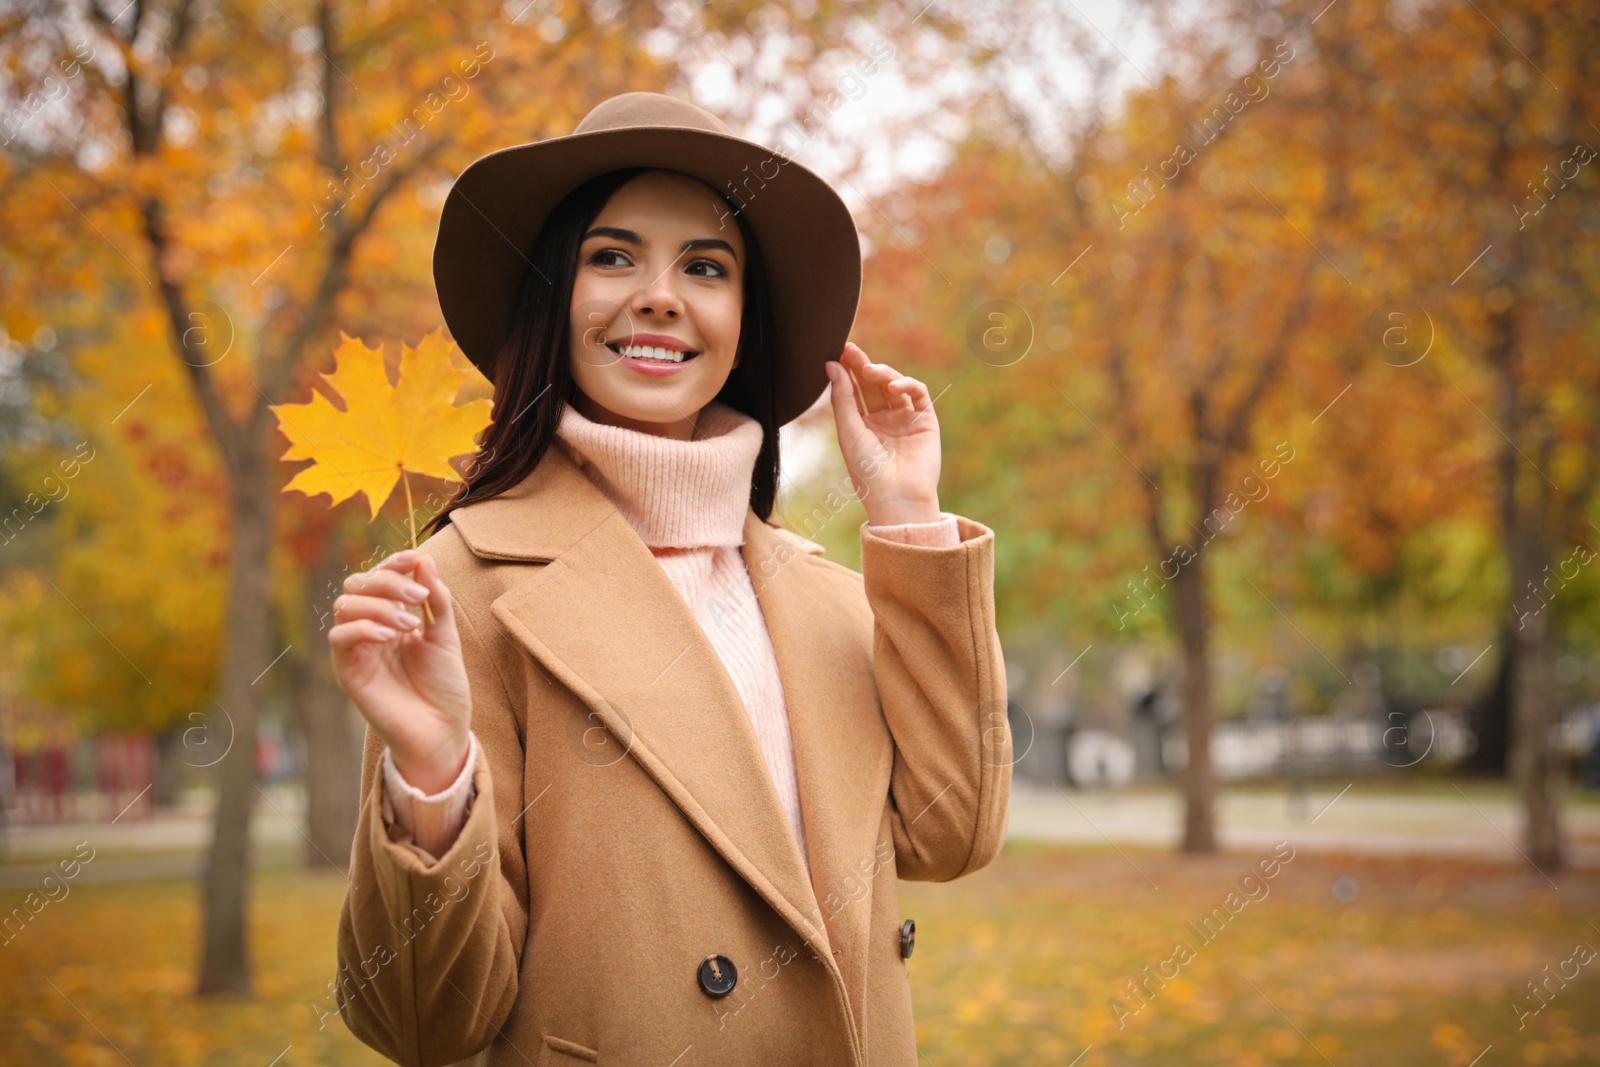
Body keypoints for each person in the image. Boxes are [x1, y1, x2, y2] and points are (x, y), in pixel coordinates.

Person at [327, 91, 1010, 1067]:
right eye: (612, 256)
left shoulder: (823, 594)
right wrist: (431, 775)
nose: (659, 294)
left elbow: (951, 834)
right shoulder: (455, 591)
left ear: (743, 320)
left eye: (705, 266)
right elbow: (425, 1025)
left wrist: (905, 513)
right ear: (550, 295)